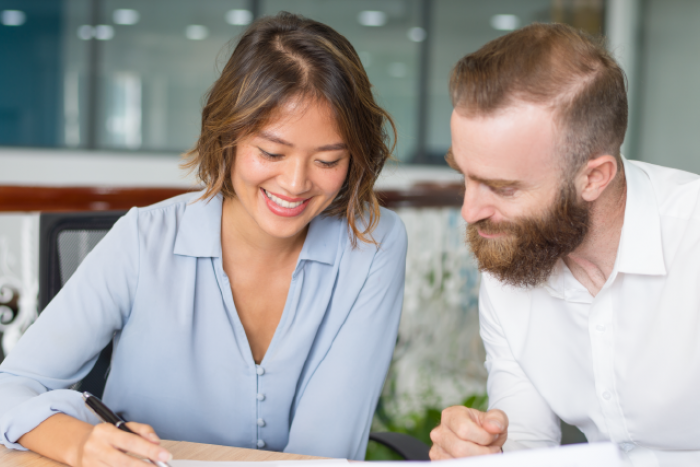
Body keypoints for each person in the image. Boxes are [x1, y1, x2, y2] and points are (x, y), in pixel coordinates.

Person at [0, 12, 408, 466]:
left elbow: (323, 452)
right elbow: (12, 382)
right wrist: (78, 442)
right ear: (228, 135)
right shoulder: (143, 239)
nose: (295, 183)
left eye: (328, 161)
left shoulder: (371, 242)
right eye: (271, 153)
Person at [429, 22, 700, 466]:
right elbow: (526, 442)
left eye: (503, 187)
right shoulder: (512, 257)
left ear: (594, 177)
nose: (470, 210)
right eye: (465, 175)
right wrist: (483, 449)